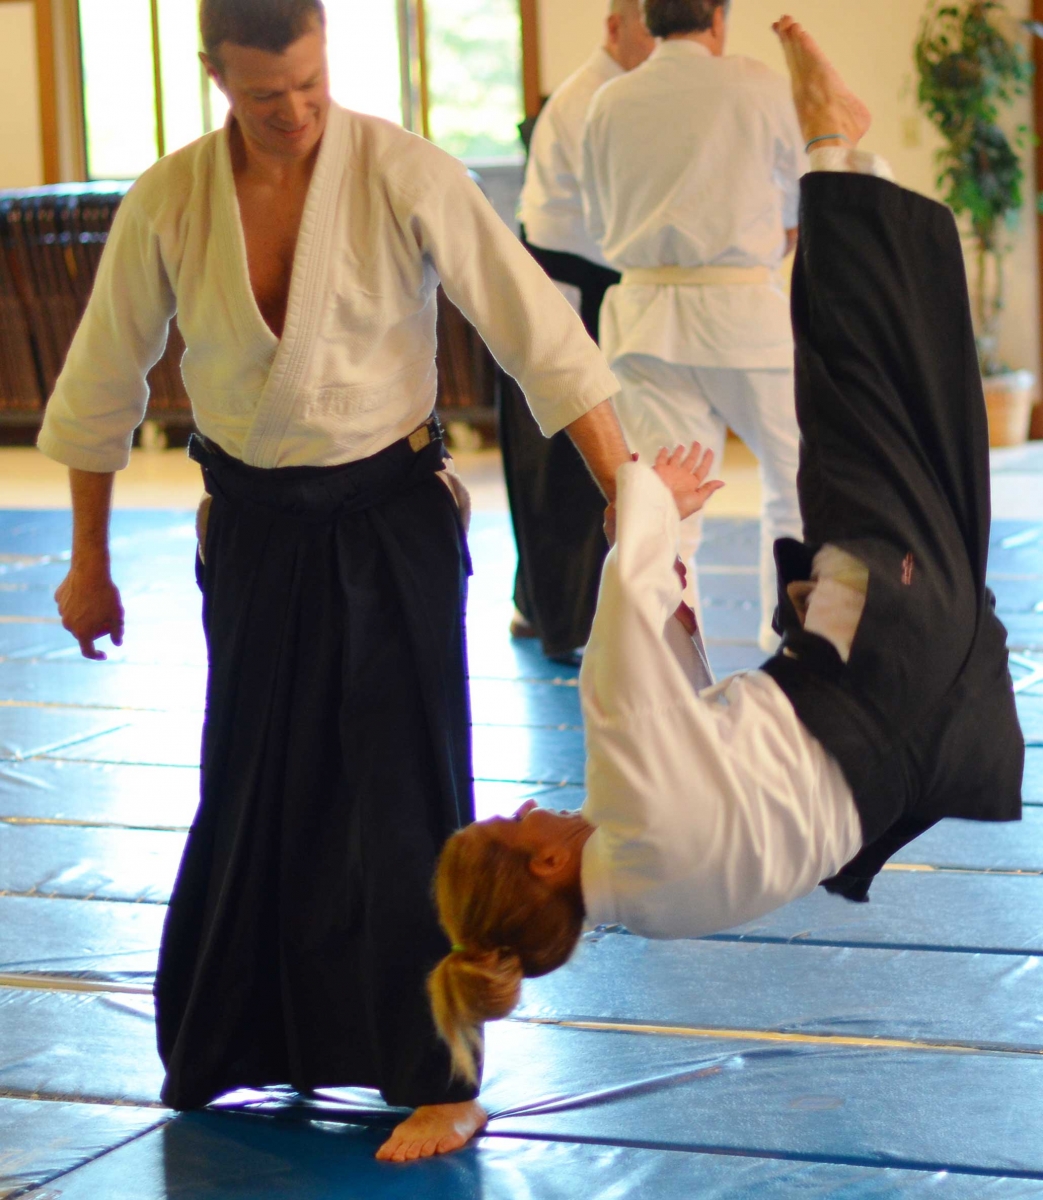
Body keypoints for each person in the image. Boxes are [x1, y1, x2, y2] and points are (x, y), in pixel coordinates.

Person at [38, 0, 708, 1163]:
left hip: (390, 519)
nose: (294, 111)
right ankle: (236, 1046)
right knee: (250, 787)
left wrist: (622, 489)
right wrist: (87, 563)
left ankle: (439, 1079)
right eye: (264, 96)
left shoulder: (403, 170)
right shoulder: (171, 198)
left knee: (408, 801)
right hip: (253, 529)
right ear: (215, 77)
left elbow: (534, 331)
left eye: (309, 83)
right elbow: (103, 383)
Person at [426, 15, 1025, 1086]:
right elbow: (625, 614)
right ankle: (843, 145)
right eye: (516, 823)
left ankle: (779, 575)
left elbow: (561, 226)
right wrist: (639, 516)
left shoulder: (648, 906)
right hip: (879, 663)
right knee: (844, 427)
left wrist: (658, 537)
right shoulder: (624, 775)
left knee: (836, 499)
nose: (526, 805)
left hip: (921, 747)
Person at [582, 0, 805, 650]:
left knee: (667, 505)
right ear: (717, 16)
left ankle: (671, 664)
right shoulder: (755, 83)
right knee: (795, 483)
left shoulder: (608, 102)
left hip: (645, 319)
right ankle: (793, 648)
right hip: (743, 315)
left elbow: (598, 225)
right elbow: (804, 192)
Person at [506, 0, 655, 662]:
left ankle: (540, 606)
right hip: (563, 290)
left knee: (568, 464)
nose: (662, 46)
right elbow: (619, 216)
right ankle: (562, 618)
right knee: (564, 467)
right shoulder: (591, 99)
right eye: (652, 31)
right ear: (614, 28)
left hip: (588, 283)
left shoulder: (619, 93)